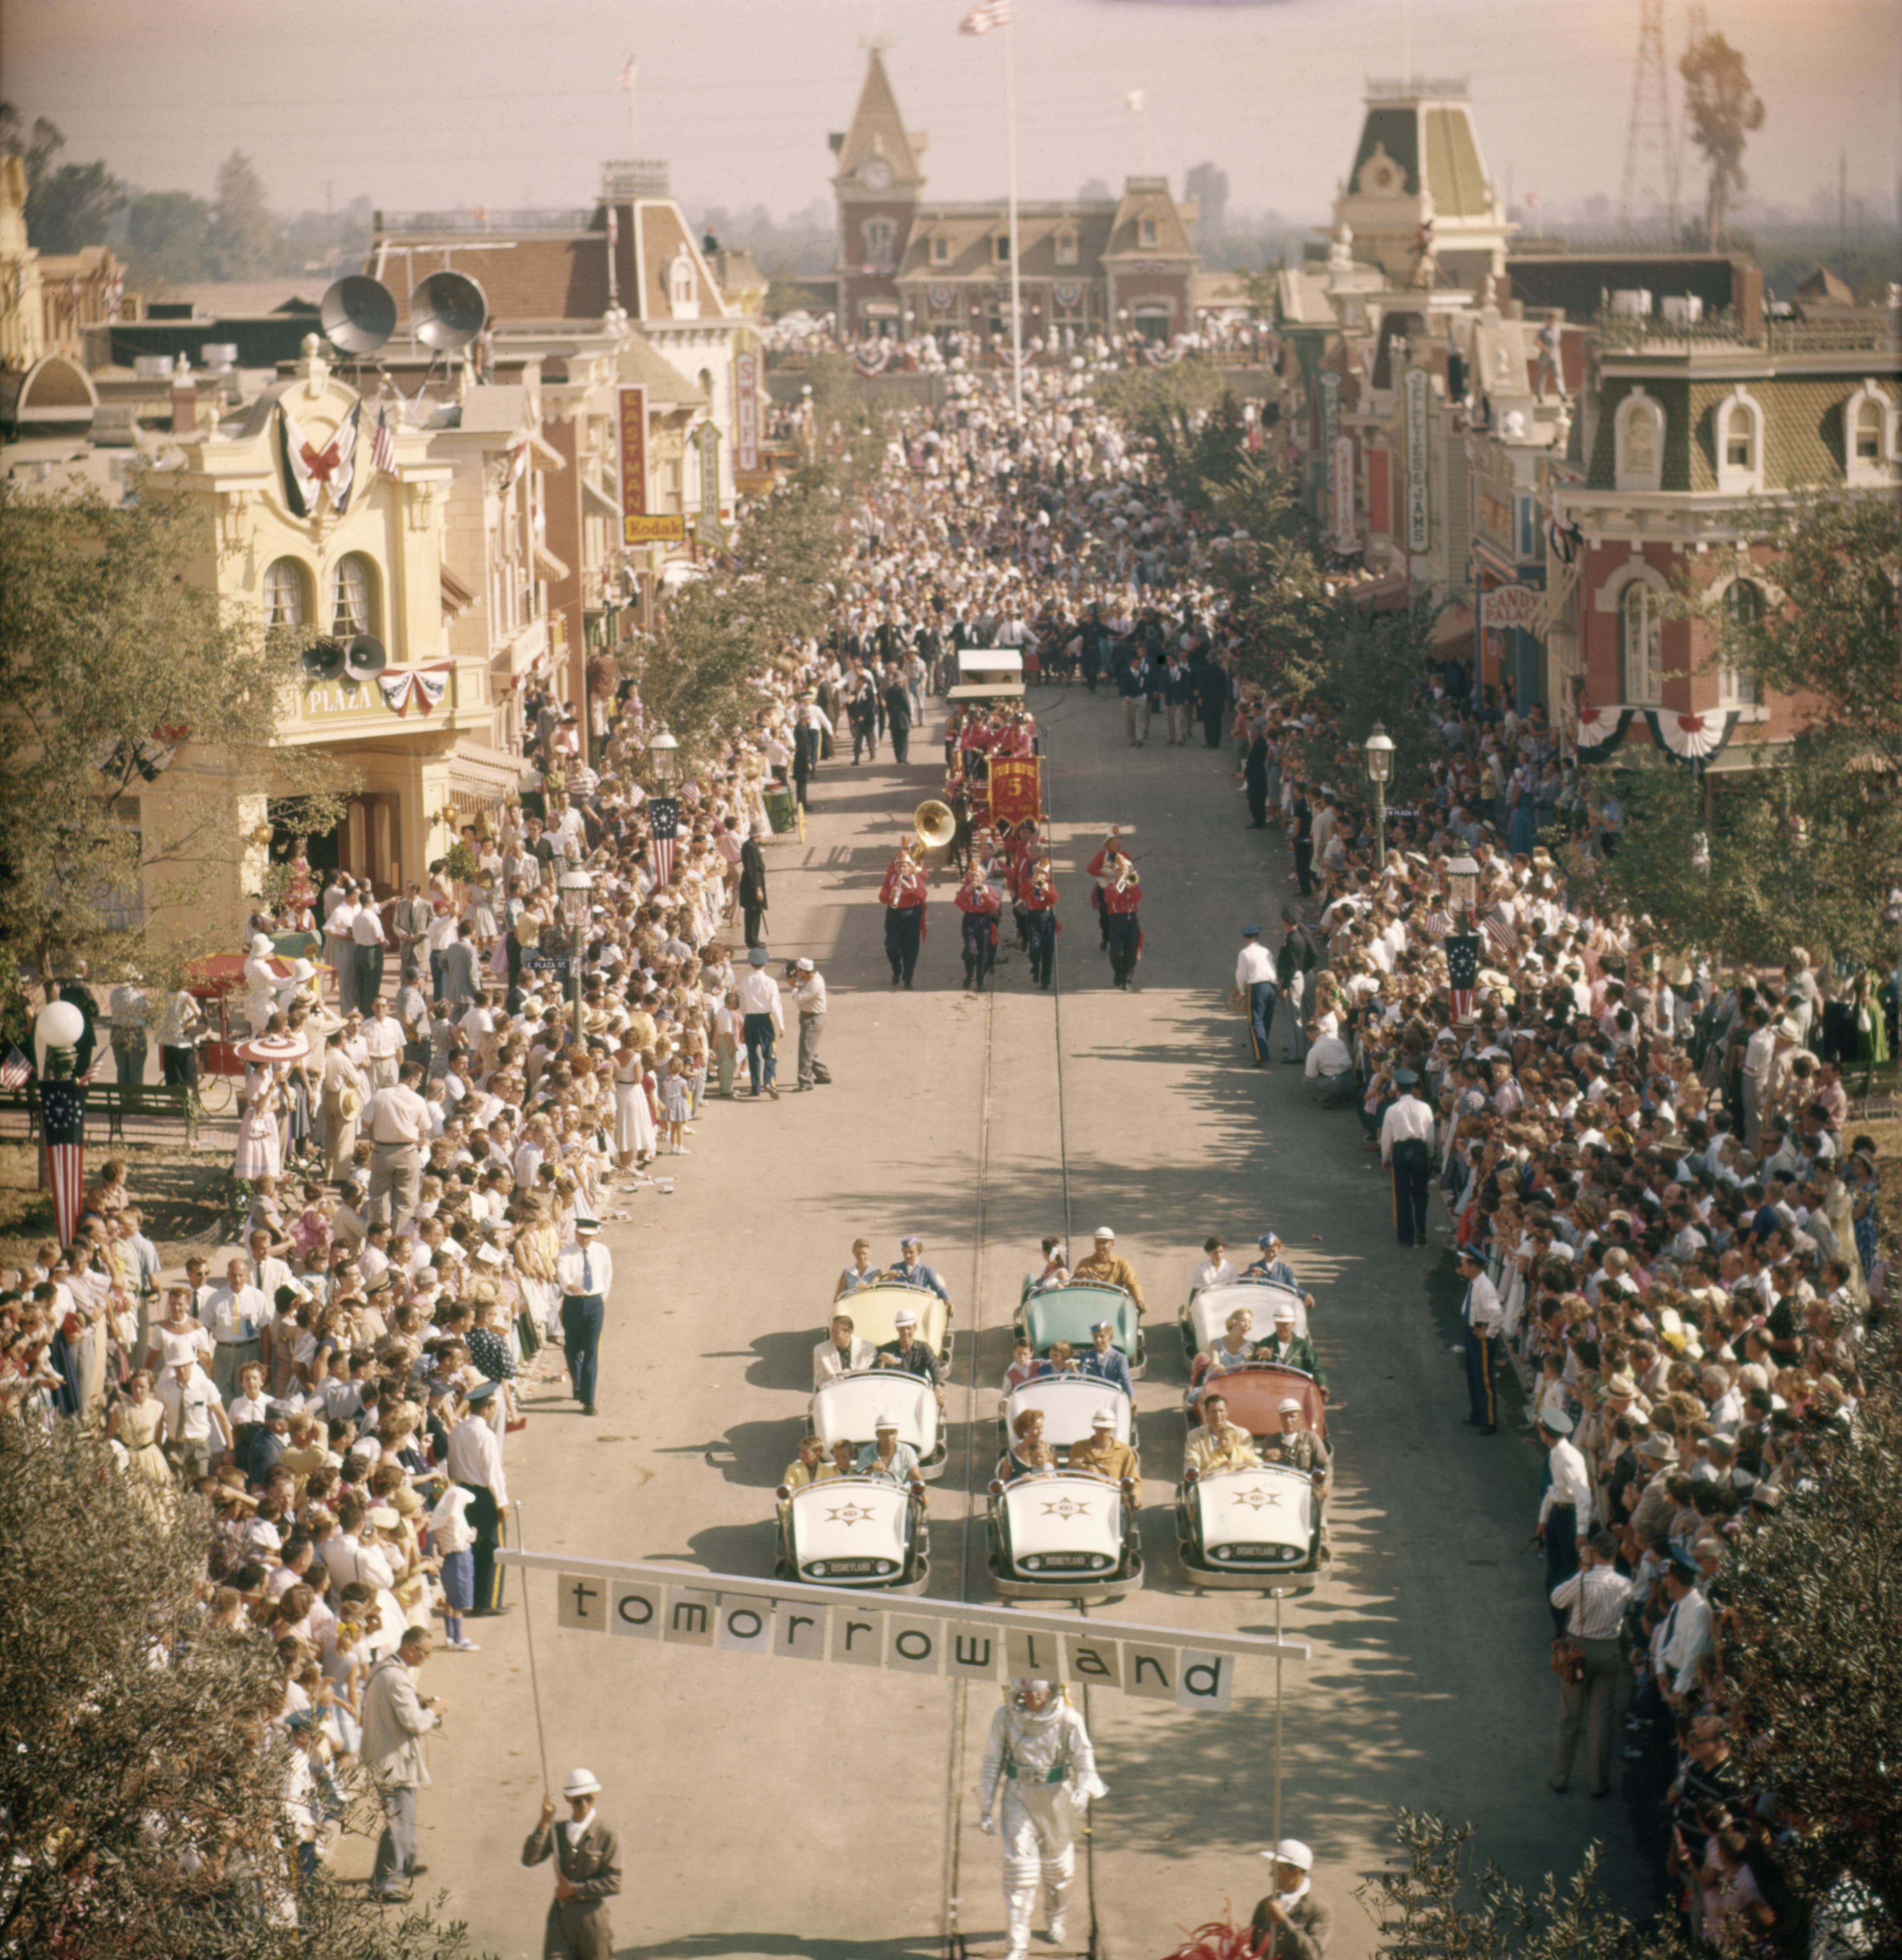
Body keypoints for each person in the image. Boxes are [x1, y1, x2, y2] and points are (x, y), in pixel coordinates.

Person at [978, 1678, 1107, 1960]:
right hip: (1018, 1796)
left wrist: (1084, 1789)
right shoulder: (1005, 1718)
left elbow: (1084, 1759)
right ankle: (1017, 1946)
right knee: (1019, 1873)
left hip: (1055, 1799)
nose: (1032, 1697)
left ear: (1051, 1689)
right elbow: (992, 1761)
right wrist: (986, 1807)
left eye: (1038, 1691)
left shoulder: (1069, 1719)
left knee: (1058, 1872)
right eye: (1026, 1691)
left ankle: (1056, 1918)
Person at [1547, 1529, 1632, 1798]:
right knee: (1601, 1720)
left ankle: (1560, 1778)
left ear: (1593, 1553)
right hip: (1609, 1650)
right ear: (1615, 1553)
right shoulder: (1625, 1584)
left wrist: (1583, 1568)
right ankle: (1599, 1783)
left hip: (1579, 1650)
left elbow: (1557, 1599)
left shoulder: (1583, 1580)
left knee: (1570, 1716)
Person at [361, 1624, 441, 1903]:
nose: (426, 1658)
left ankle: (404, 1862)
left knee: (405, 1814)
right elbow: (414, 1722)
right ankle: (385, 1884)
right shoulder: (396, 1678)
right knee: (397, 1820)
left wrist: (417, 1702)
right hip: (392, 1759)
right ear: (411, 1649)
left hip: (385, 1754)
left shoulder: (384, 1669)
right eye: (425, 1653)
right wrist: (433, 1711)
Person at [523, 1769, 622, 1960]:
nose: (583, 1805)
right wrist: (544, 1821)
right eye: (577, 1800)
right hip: (561, 1920)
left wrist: (574, 1890)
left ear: (595, 1796)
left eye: (589, 1799)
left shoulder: (607, 1834)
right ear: (568, 1799)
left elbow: (614, 1882)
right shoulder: (557, 1831)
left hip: (592, 1922)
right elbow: (529, 1859)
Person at [448, 1379, 509, 1615]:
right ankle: (488, 1601)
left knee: (471, 1546)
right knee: (493, 1547)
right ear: (486, 1408)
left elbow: (452, 1466)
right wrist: (501, 1502)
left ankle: (471, 1597)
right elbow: (493, 1474)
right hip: (484, 1496)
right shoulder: (486, 1435)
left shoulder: (457, 1431)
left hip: (463, 1493)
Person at [1535, 1409, 1591, 1624]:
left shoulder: (1568, 1458)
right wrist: (1543, 1518)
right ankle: (1558, 1620)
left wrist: (1582, 1532)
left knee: (1565, 1572)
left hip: (1569, 1519)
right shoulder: (1556, 1453)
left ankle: (1563, 1623)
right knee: (1554, 1569)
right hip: (1558, 1514)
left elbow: (1584, 1498)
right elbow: (1555, 1489)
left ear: (1546, 1434)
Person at [558, 1208, 613, 1417]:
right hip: (573, 1304)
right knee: (572, 1349)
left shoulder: (601, 1251)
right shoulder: (566, 1253)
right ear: (576, 1233)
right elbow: (562, 1272)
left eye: (589, 1236)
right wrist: (570, 1285)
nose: (585, 1240)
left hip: (594, 1304)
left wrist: (602, 1298)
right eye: (581, 1235)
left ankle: (589, 1401)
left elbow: (607, 1275)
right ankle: (578, 1382)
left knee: (591, 1351)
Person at [363, 1061, 430, 1232]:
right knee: (406, 1202)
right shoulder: (418, 1100)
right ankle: (400, 1240)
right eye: (419, 1081)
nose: (419, 1085)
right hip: (407, 1152)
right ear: (412, 1080)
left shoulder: (381, 1095)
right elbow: (424, 1127)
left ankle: (381, 1238)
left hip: (382, 1151)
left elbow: (365, 1122)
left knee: (379, 1199)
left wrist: (379, 1130)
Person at [1379, 1069, 1436, 1247]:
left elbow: (1386, 1136)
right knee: (1421, 1192)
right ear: (1413, 1087)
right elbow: (1431, 1134)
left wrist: (1385, 1157)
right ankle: (1421, 1230)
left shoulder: (1392, 1110)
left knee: (1402, 1193)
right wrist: (1430, 1155)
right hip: (1419, 1149)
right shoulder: (1425, 1107)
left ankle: (1405, 1236)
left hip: (1401, 1150)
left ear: (1397, 1088)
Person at [1248, 1839, 1332, 1959]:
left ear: (1296, 1872)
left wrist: (1284, 1921)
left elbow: (1313, 1955)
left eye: (1279, 1869)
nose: (1271, 1873)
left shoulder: (1319, 1910)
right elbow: (1251, 1948)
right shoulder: (1265, 1905)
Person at [1456, 1246, 1502, 1435]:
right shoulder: (1475, 1283)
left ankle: (1489, 1421)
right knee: (1473, 1376)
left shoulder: (1485, 1288)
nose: (1461, 1267)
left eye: (1464, 1264)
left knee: (1483, 1378)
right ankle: (1477, 1414)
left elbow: (1497, 1315)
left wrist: (1489, 1333)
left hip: (1480, 1337)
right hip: (1471, 1334)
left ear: (1474, 1267)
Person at [878, 840, 929, 989]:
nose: (902, 868)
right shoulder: (892, 878)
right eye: (899, 866)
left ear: (910, 867)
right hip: (894, 914)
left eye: (905, 866)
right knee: (892, 946)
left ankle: (908, 979)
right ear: (896, 867)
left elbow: (923, 895)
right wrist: (890, 895)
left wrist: (910, 888)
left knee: (911, 948)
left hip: (912, 914)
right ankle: (897, 969)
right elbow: (882, 897)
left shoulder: (916, 879)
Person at [736, 947, 784, 1099]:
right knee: (769, 1053)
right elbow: (775, 1005)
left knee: (752, 1054)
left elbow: (743, 1005)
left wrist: (745, 1017)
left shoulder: (744, 982)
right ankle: (769, 1082)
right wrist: (781, 1025)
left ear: (751, 964)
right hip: (765, 1020)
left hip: (750, 1019)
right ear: (766, 964)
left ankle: (755, 1087)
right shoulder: (770, 982)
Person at [1067, 1407, 1140, 1503]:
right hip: (1083, 1497)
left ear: (1113, 1428)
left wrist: (1135, 1497)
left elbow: (1133, 1480)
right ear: (1094, 1427)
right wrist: (1073, 1468)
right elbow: (1067, 1476)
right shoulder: (1079, 1447)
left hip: (1112, 1499)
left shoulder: (1124, 1451)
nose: (1103, 1433)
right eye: (1099, 1428)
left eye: (1106, 1429)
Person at [1071, 1226, 1146, 1314]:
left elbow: (1132, 1284)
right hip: (1090, 1310)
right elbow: (1074, 1292)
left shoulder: (1121, 1264)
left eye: (1104, 1243)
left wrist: (1139, 1301)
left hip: (1114, 1309)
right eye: (1098, 1242)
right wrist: (1080, 1278)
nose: (1100, 1246)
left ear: (1113, 1245)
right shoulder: (1084, 1263)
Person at [1257, 1302, 1326, 1392]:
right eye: (1279, 1323)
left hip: (1297, 1391)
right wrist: (1259, 1356)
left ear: (1293, 1324)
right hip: (1270, 1391)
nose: (1281, 1328)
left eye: (1285, 1324)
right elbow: (1254, 1372)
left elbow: (1316, 1370)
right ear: (1275, 1323)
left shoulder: (1304, 1346)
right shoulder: (1265, 1343)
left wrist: (1322, 1385)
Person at [1186, 1392, 1260, 1475]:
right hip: (1209, 1481)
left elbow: (1253, 1459)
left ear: (1227, 1412)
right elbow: (1192, 1460)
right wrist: (1193, 1471)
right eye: (1214, 1412)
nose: (1218, 1415)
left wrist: (1250, 1463)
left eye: (1221, 1411)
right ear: (1206, 1413)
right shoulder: (1194, 1436)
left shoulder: (1242, 1434)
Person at [956, 863, 1003, 993]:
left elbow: (995, 905)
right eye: (972, 875)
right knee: (971, 952)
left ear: (982, 877)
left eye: (977, 875)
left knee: (983, 952)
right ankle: (969, 974)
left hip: (984, 920)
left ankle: (980, 980)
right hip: (970, 920)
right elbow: (958, 903)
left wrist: (985, 895)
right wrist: (967, 891)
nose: (975, 878)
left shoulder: (988, 889)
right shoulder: (966, 888)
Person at [1235, 925, 1277, 1066]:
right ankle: (1262, 1047)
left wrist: (1241, 992)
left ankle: (1261, 1055)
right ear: (1258, 938)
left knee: (1255, 1021)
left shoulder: (1245, 953)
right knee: (1266, 1019)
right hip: (1272, 985)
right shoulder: (1266, 951)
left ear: (1245, 939)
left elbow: (1241, 975)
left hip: (1258, 987)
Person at [792, 958, 830, 1089]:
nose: (796, 974)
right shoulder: (812, 979)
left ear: (804, 972)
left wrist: (794, 987)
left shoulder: (814, 984)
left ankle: (805, 1082)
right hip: (810, 1017)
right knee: (811, 1050)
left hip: (812, 1020)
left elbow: (799, 999)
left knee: (805, 1053)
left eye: (798, 972)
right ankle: (823, 1075)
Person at [854, 1414, 922, 1485]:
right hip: (875, 1493)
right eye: (884, 1434)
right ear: (877, 1434)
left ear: (897, 1434)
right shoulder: (867, 1453)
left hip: (901, 1494)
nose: (889, 1438)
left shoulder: (907, 1451)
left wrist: (923, 1495)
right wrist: (870, 1469)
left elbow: (916, 1477)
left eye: (892, 1433)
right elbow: (857, 1482)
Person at [814, 1311, 876, 1386]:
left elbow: (870, 1377)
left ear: (849, 1332)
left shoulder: (868, 1348)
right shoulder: (820, 1350)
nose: (833, 1335)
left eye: (837, 1332)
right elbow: (821, 1381)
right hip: (834, 1392)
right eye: (832, 1332)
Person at [1076, 1318, 1133, 1399]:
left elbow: (1126, 1379)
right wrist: (1073, 1369)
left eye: (1102, 1336)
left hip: (1111, 1397)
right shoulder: (1086, 1356)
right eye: (1095, 1337)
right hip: (1090, 1397)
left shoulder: (1120, 1358)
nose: (1098, 1340)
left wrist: (1131, 1399)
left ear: (1110, 1337)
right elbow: (1081, 1379)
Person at [739, 834, 769, 950]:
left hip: (751, 882)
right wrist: (758, 888)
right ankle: (753, 940)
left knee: (753, 913)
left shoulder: (750, 845)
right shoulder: (751, 847)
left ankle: (752, 938)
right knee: (754, 912)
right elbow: (753, 870)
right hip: (752, 885)